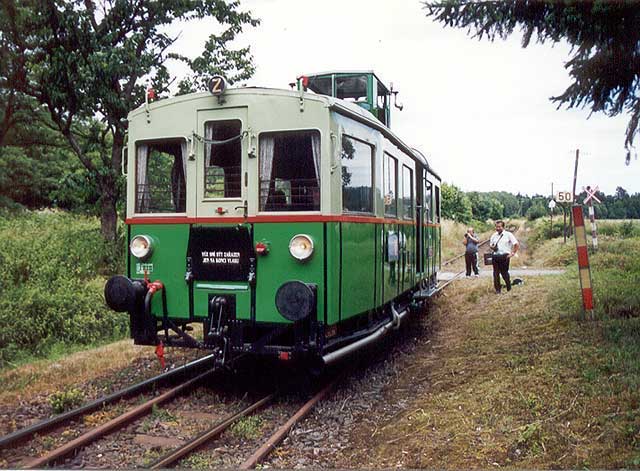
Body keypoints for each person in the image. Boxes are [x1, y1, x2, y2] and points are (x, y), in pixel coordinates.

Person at [489, 220, 519, 293]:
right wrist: (493, 247)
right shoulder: (494, 235)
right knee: (495, 274)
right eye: (496, 227)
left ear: (503, 227)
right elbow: (491, 245)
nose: (498, 228)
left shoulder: (508, 234)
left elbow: (516, 244)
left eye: (499, 227)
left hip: (504, 256)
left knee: (504, 273)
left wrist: (512, 253)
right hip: (496, 255)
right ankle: (498, 290)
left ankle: (508, 287)